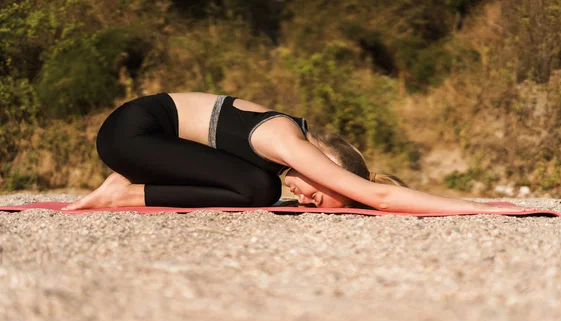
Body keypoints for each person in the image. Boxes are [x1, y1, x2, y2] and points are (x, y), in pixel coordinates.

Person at [62, 92, 529, 213]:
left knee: (258, 186)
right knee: (255, 189)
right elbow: (381, 198)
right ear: (328, 168)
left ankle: (126, 189)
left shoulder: (285, 146)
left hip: (141, 134)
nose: (307, 201)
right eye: (320, 196)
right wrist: (475, 208)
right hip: (133, 134)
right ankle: (121, 195)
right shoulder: (288, 142)